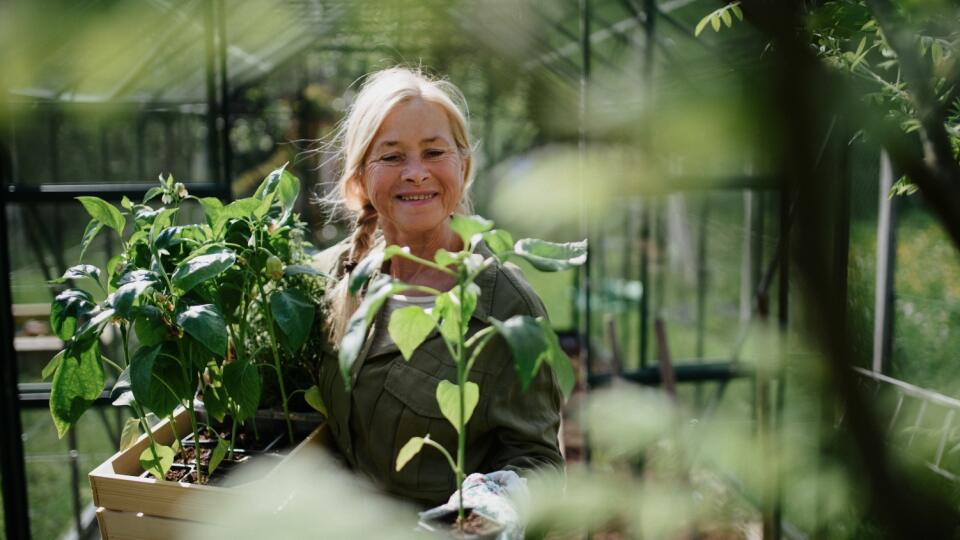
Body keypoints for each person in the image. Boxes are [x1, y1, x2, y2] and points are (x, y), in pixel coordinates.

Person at [312, 66, 563, 510]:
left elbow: (538, 460)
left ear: (463, 166)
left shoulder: (505, 306)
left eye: (433, 152)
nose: (415, 173)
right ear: (359, 181)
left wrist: (488, 508)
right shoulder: (337, 276)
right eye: (391, 157)